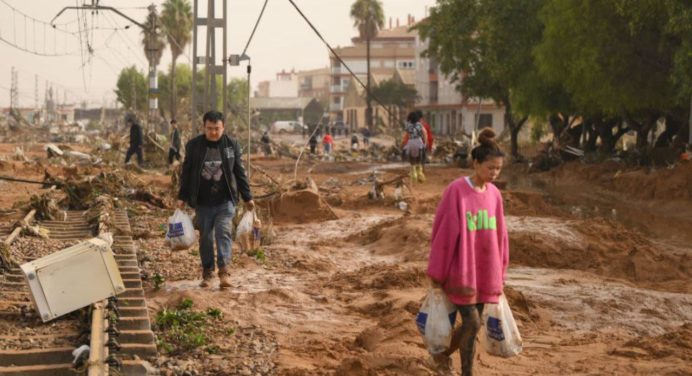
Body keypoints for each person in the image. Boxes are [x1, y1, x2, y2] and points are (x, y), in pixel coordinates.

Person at [427, 128, 509, 376]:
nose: (494, 173)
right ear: (475, 163)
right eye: (489, 168)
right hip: (461, 271)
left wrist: (501, 270)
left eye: (498, 169)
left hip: (485, 272)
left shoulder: (495, 195)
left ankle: (444, 359)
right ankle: (456, 367)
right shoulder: (456, 191)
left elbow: (500, 236)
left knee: (472, 327)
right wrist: (437, 271)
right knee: (472, 322)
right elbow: (443, 233)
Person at [177, 110, 255, 289]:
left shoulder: (231, 146)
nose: (213, 132)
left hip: (225, 201)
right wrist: (182, 197)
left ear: (223, 127)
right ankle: (207, 272)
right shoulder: (194, 146)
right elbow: (186, 174)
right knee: (205, 238)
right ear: (203, 127)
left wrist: (247, 197)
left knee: (223, 231)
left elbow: (239, 173)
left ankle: (224, 271)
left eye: (217, 128)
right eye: (209, 128)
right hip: (203, 202)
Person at [402, 111, 427, 183]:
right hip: (419, 142)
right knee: (419, 159)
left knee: (412, 159)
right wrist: (425, 143)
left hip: (411, 142)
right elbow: (425, 133)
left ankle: (414, 175)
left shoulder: (407, 125)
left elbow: (405, 136)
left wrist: (403, 144)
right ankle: (420, 174)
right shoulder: (420, 125)